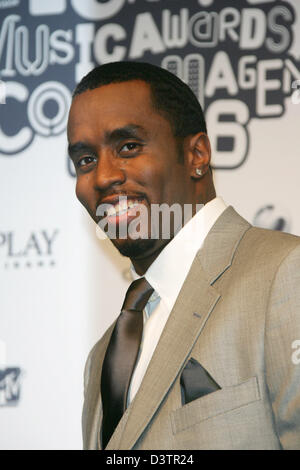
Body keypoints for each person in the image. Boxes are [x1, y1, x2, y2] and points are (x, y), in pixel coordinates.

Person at [67, 61, 300, 450]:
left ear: (196, 154)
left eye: (128, 146)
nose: (103, 176)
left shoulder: (285, 274)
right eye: (85, 160)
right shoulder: (104, 355)